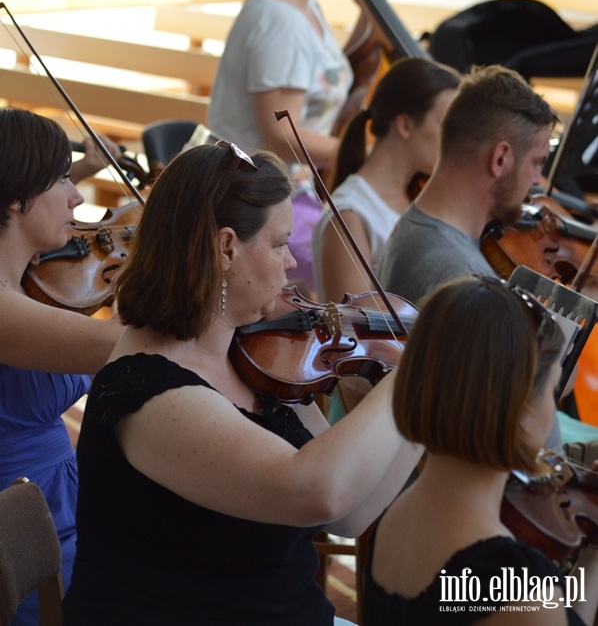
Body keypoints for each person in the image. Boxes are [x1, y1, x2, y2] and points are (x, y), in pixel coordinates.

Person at [62, 141, 422, 626]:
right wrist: (417, 364)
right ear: (227, 247)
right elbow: (317, 491)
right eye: (278, 245)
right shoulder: (146, 389)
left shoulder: (253, 358)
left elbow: (349, 515)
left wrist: (426, 400)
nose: (291, 264)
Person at [363, 275, 598, 625]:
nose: (552, 411)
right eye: (551, 393)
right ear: (516, 406)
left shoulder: (398, 514)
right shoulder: (517, 585)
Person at [208, 0, 387, 289]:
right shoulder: (280, 23)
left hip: (290, 188)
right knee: (362, 273)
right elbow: (278, 135)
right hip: (257, 201)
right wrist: (370, 154)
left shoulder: (301, 2)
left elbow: (333, 76)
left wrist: (368, 12)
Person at [0, 108, 123, 626]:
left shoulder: (24, 283)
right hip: (25, 532)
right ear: (15, 196)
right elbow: (124, 347)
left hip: (58, 503)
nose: (77, 197)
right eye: (60, 178)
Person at [378, 63, 558, 307]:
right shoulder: (465, 281)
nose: (537, 180)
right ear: (500, 159)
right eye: (537, 162)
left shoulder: (411, 227)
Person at [312, 57, 460, 302]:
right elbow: (355, 331)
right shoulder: (350, 214)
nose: (454, 141)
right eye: (445, 125)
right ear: (404, 125)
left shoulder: (420, 195)